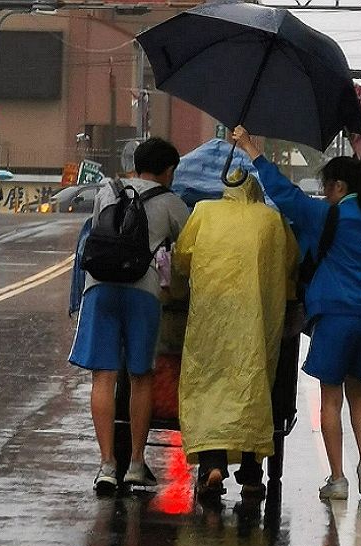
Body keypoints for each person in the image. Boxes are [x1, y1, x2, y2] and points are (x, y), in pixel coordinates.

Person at [232, 125, 361, 501]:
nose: (323, 194)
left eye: (326, 187)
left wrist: (253, 152)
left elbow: (284, 194)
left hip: (335, 314)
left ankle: (337, 479)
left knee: (330, 397)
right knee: (359, 392)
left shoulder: (326, 216)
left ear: (337, 187)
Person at [68, 137, 190, 494]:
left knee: (103, 377)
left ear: (136, 164)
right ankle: (136, 464)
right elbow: (187, 248)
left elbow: (97, 232)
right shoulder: (171, 201)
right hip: (143, 291)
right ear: (169, 171)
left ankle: (107, 465)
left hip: (99, 286)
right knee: (141, 376)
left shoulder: (108, 189)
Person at [172, 168, 298, 501]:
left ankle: (212, 464)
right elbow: (290, 262)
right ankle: (252, 474)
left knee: (209, 385)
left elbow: (182, 258)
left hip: (210, 319)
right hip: (257, 318)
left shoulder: (204, 212)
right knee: (252, 386)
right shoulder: (271, 220)